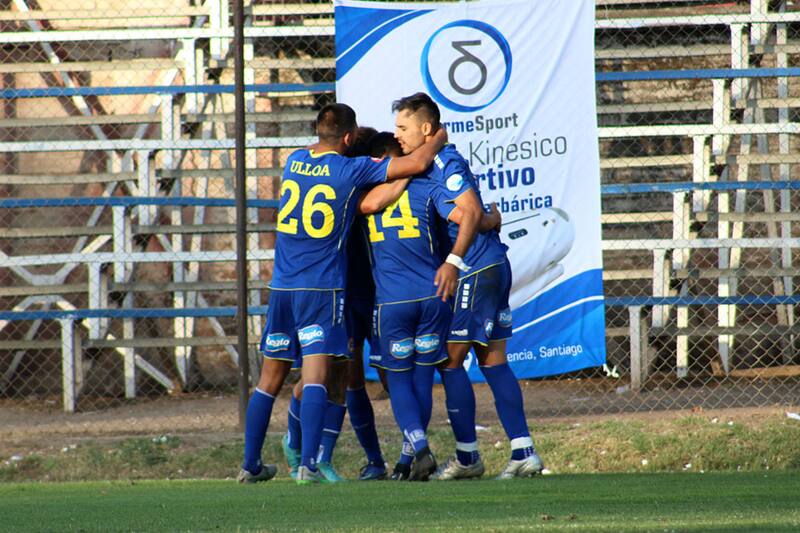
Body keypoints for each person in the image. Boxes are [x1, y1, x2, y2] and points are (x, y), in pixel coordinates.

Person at [238, 102, 447, 484]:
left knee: (269, 379)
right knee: (318, 376)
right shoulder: (351, 169)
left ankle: (250, 465)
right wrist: (439, 138)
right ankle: (308, 466)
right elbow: (416, 165)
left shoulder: (294, 161)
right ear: (349, 139)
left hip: (282, 285)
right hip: (322, 289)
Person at [392, 92, 544, 480]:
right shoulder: (429, 162)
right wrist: (488, 223)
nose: (398, 136)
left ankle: (467, 456)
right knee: (493, 360)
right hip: (492, 263)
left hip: (474, 269)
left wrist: (453, 261)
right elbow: (474, 215)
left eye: (403, 128)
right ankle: (523, 451)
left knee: (449, 359)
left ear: (427, 128)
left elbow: (470, 211)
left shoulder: (444, 162)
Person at [280, 127, 389, 483]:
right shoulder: (353, 186)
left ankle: (386, 457)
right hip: (345, 290)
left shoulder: (366, 180)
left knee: (376, 374)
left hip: (381, 290)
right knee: (339, 374)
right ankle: (314, 452)